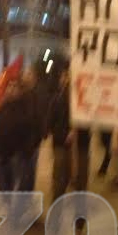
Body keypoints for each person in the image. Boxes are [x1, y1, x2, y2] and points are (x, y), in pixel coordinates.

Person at [0, 77, 40, 192]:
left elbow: (32, 131)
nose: (11, 89)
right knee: (4, 189)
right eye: (9, 86)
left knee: (17, 189)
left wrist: (27, 150)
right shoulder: (2, 108)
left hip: (17, 157)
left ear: (20, 91)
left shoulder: (26, 108)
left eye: (14, 87)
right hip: (1, 156)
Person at [48, 69, 91, 202]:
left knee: (81, 180)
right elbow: (50, 123)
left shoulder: (86, 100)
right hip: (62, 146)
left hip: (81, 146)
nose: (67, 79)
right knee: (60, 180)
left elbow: (91, 121)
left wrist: (78, 131)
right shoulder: (57, 100)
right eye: (65, 76)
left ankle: (80, 210)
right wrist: (64, 134)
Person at [18, 68, 47, 191]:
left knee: (31, 173)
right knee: (22, 174)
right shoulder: (19, 94)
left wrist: (42, 133)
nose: (28, 77)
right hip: (20, 142)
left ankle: (29, 196)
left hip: (34, 141)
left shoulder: (39, 94)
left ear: (34, 79)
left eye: (30, 75)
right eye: (26, 75)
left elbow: (42, 114)